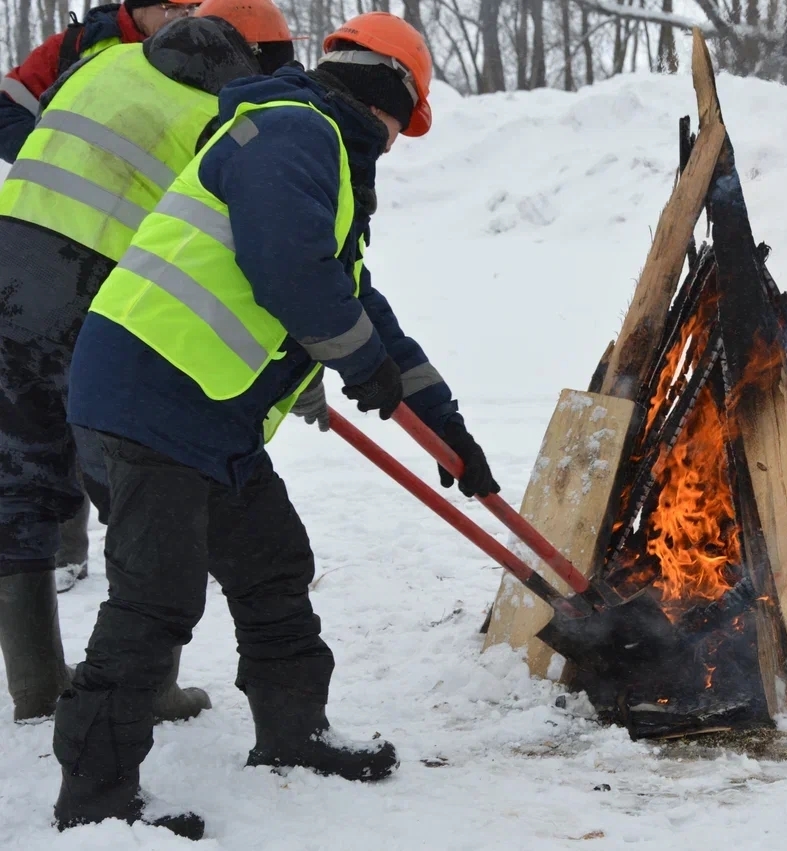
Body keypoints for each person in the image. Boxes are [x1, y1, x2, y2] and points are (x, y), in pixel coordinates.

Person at [54, 12, 499, 839]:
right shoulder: (294, 129)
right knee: (156, 599)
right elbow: (288, 267)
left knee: (272, 563)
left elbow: (361, 306)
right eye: (406, 121)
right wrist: (358, 361)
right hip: (150, 394)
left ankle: (293, 734)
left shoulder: (315, 154)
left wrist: (449, 431)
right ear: (388, 95)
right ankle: (95, 797)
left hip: (206, 416)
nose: (400, 143)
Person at [0, 3, 297, 727]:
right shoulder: (222, 121)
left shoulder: (106, 60)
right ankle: (145, 682)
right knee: (141, 484)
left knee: (18, 475)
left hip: (7, 272)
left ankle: (35, 682)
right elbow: (241, 253)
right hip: (96, 296)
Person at [0, 0, 204, 165]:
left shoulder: (207, 57)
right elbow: (5, 112)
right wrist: (53, 156)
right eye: (170, 8)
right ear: (139, 7)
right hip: (62, 204)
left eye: (192, 8)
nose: (183, 19)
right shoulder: (75, 46)